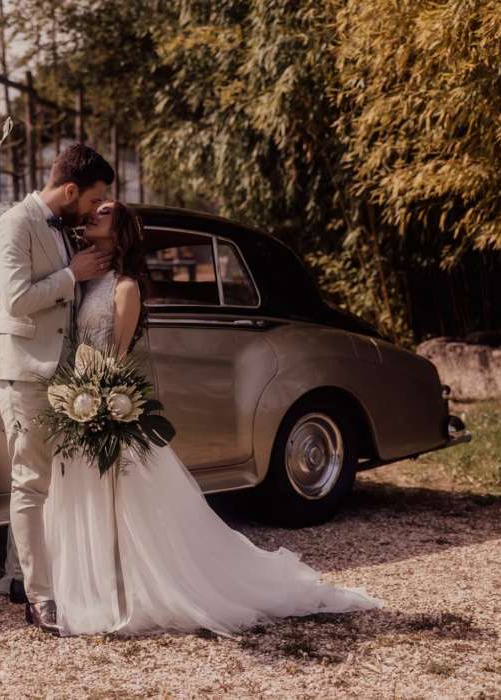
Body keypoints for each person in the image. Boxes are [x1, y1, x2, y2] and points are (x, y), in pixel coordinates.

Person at [44, 200, 385, 638]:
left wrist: (100, 400)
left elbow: (119, 356)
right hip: (79, 399)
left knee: (122, 500)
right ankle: (92, 583)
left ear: (121, 230)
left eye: (105, 212)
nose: (93, 214)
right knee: (88, 496)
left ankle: (126, 589)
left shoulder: (125, 287)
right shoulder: (89, 280)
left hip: (105, 401)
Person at [0, 143, 115, 634]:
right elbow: (16, 301)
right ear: (71, 189)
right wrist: (71, 274)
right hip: (24, 371)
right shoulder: (15, 224)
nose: (94, 208)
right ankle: (41, 599)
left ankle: (20, 577)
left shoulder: (60, 227)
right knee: (30, 482)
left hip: (61, 372)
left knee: (43, 480)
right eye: (93, 198)